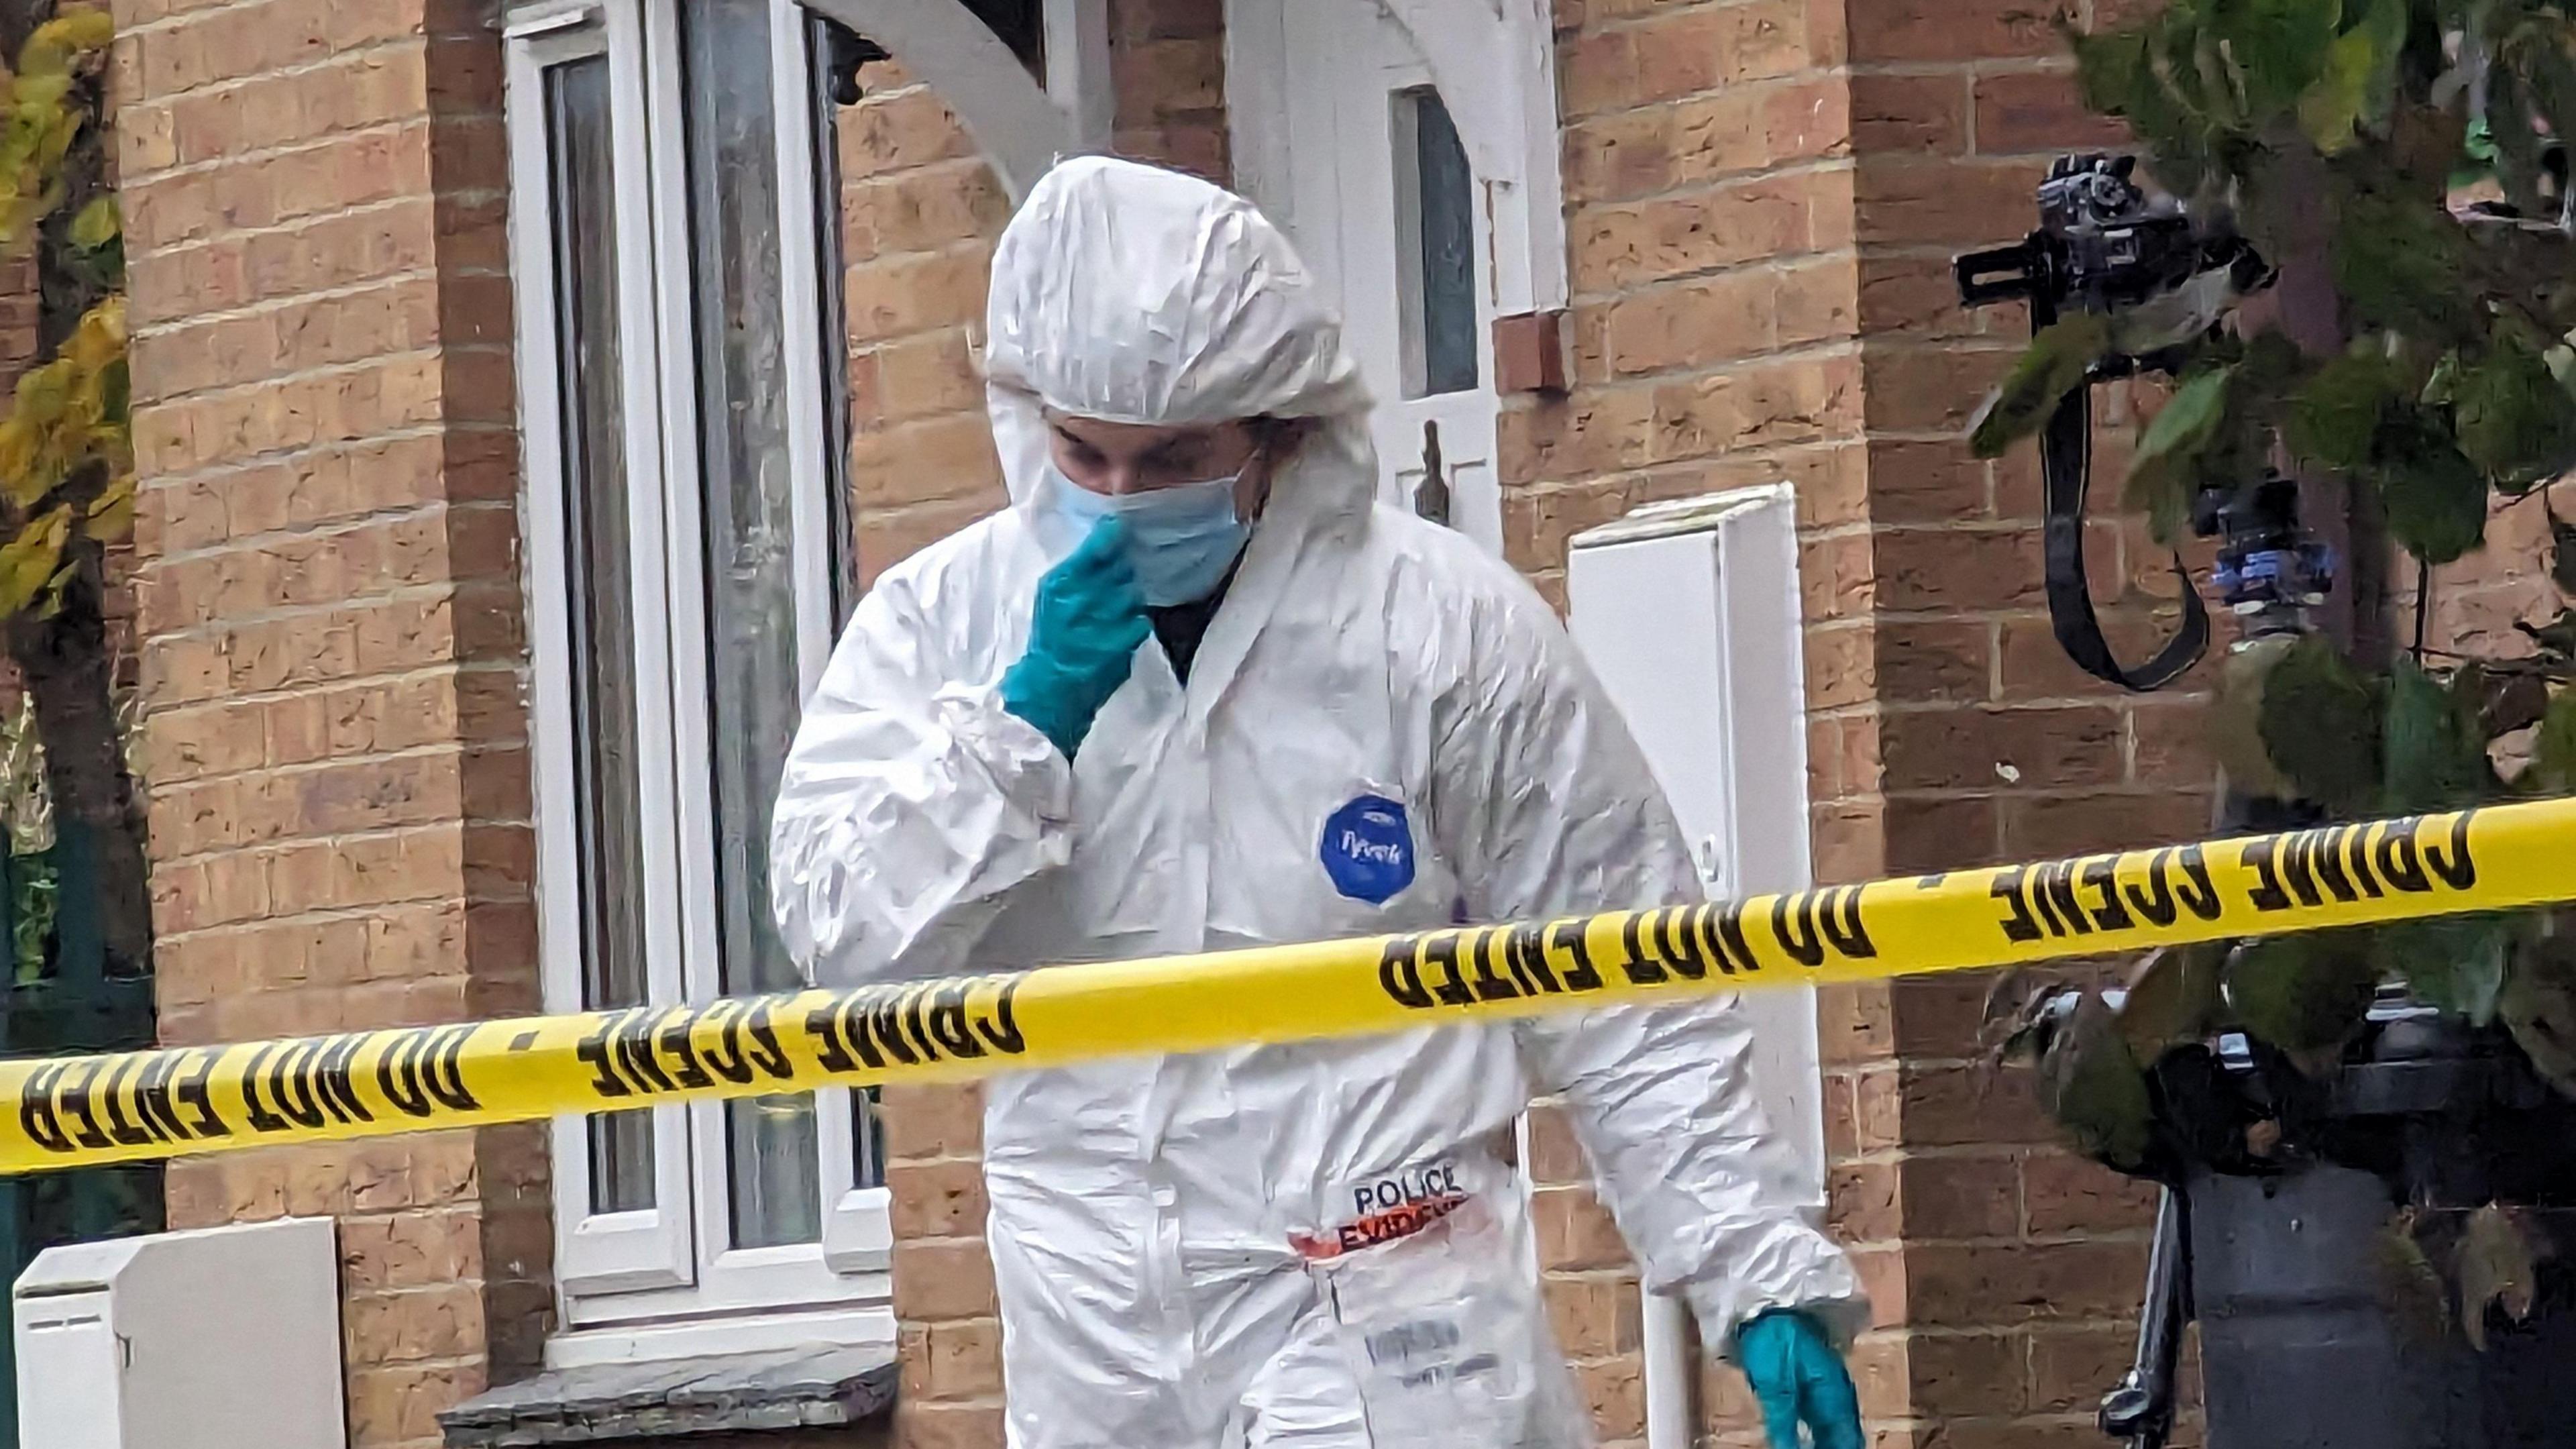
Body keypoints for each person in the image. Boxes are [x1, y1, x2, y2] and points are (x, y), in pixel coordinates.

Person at [770, 156, 1866, 1449]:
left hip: (1392, 1312)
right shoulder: (946, 626)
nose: (1119, 502)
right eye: (1084, 454)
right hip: (1097, 1341)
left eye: (1171, 460)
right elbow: (841, 932)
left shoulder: (1435, 629)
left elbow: (1623, 973)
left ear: (1275, 431)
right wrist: (1019, 735)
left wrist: (1753, 1264)